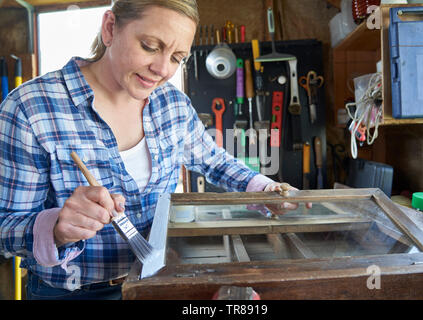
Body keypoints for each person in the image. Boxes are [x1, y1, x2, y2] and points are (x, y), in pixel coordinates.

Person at [0, 0, 300, 300]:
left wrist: (265, 188)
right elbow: (5, 229)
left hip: (156, 283)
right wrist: (55, 228)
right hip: (71, 293)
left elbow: (215, 161)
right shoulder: (30, 109)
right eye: (150, 46)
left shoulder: (172, 104)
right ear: (109, 28)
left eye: (177, 57)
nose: (162, 70)